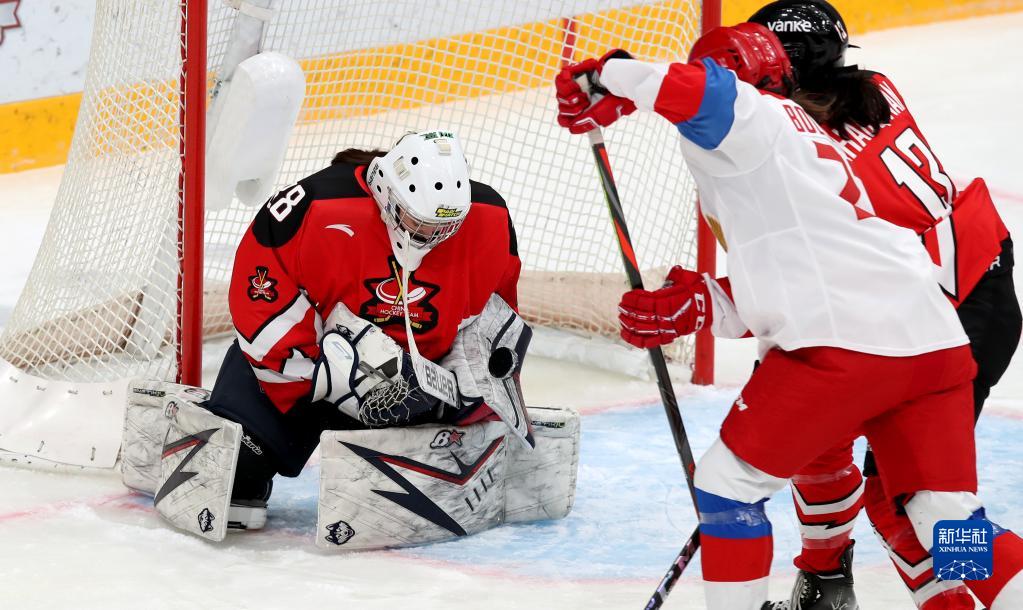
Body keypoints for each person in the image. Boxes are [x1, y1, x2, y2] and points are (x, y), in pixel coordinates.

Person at [554, 22, 1023, 610]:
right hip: (934, 337)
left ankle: (821, 577)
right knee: (945, 519)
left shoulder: (754, 119)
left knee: (728, 487)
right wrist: (704, 303)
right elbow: (799, 269)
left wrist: (605, 76)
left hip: (853, 344)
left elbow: (705, 94)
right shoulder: (809, 137)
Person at [745, 2, 1021, 608]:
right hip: (973, 289)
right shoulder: (871, 88)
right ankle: (825, 580)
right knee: (891, 489)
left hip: (941, 320)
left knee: (920, 508)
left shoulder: (795, 145)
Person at [206, 130, 523, 529]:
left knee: (484, 411)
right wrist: (320, 377)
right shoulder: (315, 207)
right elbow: (260, 297)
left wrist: (468, 378)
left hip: (418, 392)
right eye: (419, 222)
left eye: (446, 227)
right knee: (239, 460)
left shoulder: (489, 217)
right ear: (386, 194)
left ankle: (419, 468)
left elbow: (499, 316)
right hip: (317, 379)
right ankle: (245, 465)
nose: (432, 237)